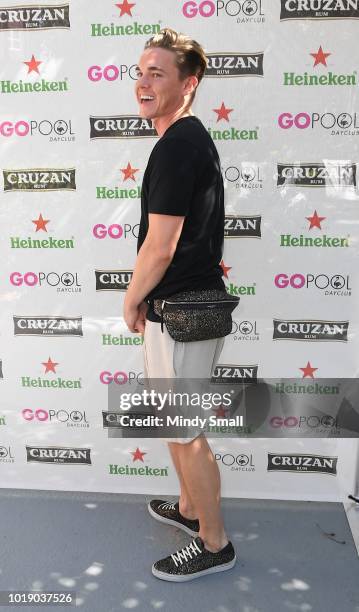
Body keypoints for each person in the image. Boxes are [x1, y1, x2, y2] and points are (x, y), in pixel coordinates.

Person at [123, 27, 236, 582]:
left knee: (187, 430)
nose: (142, 82)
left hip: (184, 314)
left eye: (157, 73)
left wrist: (131, 296)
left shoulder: (178, 145)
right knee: (174, 421)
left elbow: (160, 246)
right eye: (139, 72)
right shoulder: (181, 141)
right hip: (175, 310)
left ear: (188, 85)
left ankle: (215, 542)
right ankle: (190, 509)